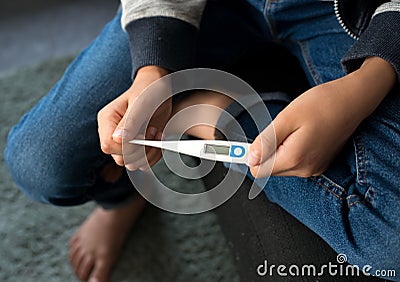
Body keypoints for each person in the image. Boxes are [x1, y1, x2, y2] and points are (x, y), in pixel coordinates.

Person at [4, 0, 400, 281]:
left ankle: (217, 110)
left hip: (355, 19)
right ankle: (123, 196)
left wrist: (368, 81)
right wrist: (151, 67)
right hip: (206, 7)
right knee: (40, 163)